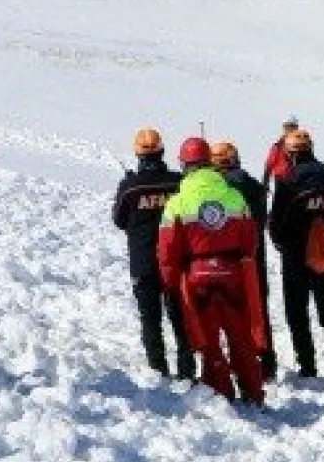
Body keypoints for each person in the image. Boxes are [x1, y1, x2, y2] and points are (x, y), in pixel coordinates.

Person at [158, 137, 267, 404]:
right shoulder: (234, 196)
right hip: (232, 276)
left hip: (197, 277)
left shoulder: (178, 202)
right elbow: (250, 240)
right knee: (240, 339)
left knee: (209, 342)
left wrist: (171, 283)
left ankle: (221, 393)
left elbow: (168, 250)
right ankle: (253, 393)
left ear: (185, 165)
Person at [268, 128, 324, 387]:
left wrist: (283, 244)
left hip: (295, 256)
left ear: (290, 154)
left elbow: (276, 224)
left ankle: (308, 366)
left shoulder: (288, 181)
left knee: (298, 313)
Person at [112, 127, 192, 378]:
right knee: (181, 318)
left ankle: (159, 371)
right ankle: (187, 369)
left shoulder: (130, 187)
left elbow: (119, 220)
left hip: (143, 262)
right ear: (162, 151)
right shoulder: (177, 182)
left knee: (150, 319)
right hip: (176, 262)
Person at [211, 140, 278, 379]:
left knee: (231, 313)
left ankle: (239, 364)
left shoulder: (218, 191)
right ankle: (267, 362)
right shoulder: (253, 186)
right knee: (259, 311)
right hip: (254, 257)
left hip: (228, 258)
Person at [261, 117, 299, 188]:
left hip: (297, 178)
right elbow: (269, 164)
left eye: (292, 127)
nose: (290, 130)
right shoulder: (278, 145)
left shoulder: (302, 145)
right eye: (288, 127)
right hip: (281, 179)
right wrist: (265, 182)